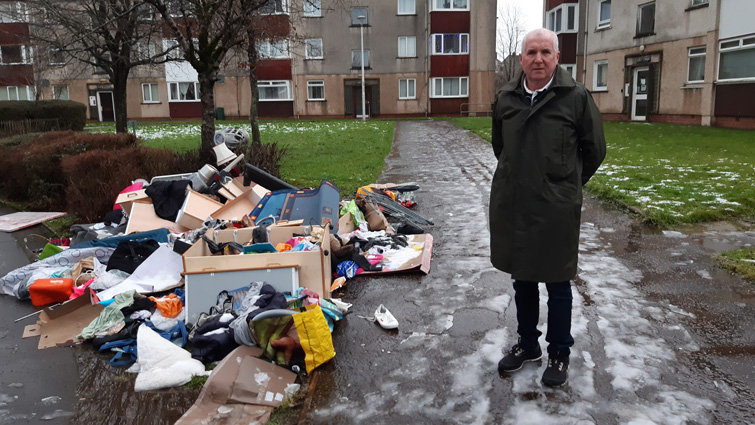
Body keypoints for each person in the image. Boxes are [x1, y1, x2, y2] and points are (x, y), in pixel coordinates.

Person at [489, 28, 606, 387]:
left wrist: (565, 187)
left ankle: (559, 352)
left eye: (545, 52)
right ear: (521, 59)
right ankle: (528, 345)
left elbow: (594, 151)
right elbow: (500, 148)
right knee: (522, 279)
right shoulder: (506, 98)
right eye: (531, 52)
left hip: (556, 210)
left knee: (557, 283)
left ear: (557, 57)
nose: (538, 59)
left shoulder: (576, 98)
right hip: (515, 206)